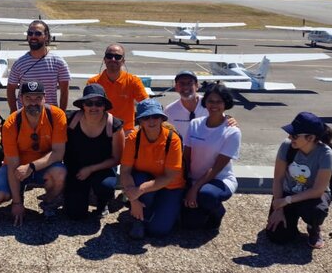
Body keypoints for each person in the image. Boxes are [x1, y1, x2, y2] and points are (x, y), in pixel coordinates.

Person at [0, 81, 68, 224]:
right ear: (21, 99)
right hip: (17, 167)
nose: (33, 103)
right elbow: (13, 164)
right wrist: (17, 204)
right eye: (28, 98)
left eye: (38, 98)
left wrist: (31, 167)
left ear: (45, 98)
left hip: (42, 166)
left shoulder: (57, 116)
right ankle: (19, 194)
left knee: (60, 173)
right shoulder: (11, 123)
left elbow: (58, 153)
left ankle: (49, 203)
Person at [266, 112, 332, 249]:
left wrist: (286, 201)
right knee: (278, 237)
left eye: (295, 135)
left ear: (310, 138)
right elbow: (278, 179)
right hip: (288, 192)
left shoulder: (325, 153)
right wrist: (278, 208)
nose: (290, 137)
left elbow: (318, 190)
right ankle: (290, 225)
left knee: (316, 211)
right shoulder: (287, 146)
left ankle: (313, 227)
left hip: (312, 197)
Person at [120, 99, 184, 239]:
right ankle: (138, 218)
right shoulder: (132, 139)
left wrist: (138, 191)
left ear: (162, 118)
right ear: (140, 121)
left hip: (170, 186)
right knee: (138, 177)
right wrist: (134, 200)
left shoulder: (173, 139)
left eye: (155, 116)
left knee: (159, 231)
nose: (151, 121)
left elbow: (169, 176)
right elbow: (125, 171)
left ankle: (154, 212)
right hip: (145, 182)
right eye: (146, 117)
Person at [181, 83, 241, 232]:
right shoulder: (195, 124)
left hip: (219, 180)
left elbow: (216, 168)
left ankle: (217, 212)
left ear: (226, 103)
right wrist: (183, 181)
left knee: (206, 195)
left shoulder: (232, 132)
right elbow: (186, 157)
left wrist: (194, 189)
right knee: (189, 225)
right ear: (205, 102)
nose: (214, 105)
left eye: (219, 101)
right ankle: (200, 210)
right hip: (194, 178)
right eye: (210, 101)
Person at [63, 84, 124, 219]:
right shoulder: (71, 121)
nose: (93, 107)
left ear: (104, 106)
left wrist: (90, 169)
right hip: (76, 168)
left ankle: (102, 203)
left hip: (102, 168)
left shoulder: (114, 126)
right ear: (83, 105)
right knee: (75, 215)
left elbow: (117, 158)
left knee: (106, 187)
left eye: (99, 103)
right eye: (89, 103)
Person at [6, 20, 71, 112]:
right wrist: (14, 113)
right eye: (30, 33)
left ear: (46, 36)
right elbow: (10, 89)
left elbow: (64, 91)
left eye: (38, 33)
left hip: (49, 118)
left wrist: (60, 115)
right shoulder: (19, 64)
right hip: (25, 118)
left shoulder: (59, 62)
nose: (33, 36)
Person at [85, 44, 149, 132]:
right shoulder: (93, 82)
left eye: (117, 57)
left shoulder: (133, 81)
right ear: (104, 59)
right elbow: (87, 109)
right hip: (100, 131)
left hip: (125, 132)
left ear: (123, 61)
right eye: (109, 56)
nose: (113, 59)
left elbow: (147, 105)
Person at [165, 69, 238, 137]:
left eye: (190, 83)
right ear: (176, 87)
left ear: (197, 86)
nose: (186, 87)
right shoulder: (169, 111)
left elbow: (222, 120)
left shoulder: (209, 104)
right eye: (181, 83)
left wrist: (230, 120)